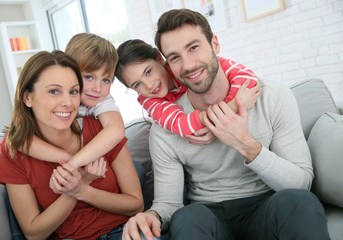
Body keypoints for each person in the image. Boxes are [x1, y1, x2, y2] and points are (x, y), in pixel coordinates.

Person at [122, 9, 330, 240]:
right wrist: (152, 215)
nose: (188, 65)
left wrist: (245, 144)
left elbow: (301, 184)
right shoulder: (166, 127)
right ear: (168, 63)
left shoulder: (271, 96)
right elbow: (168, 204)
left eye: (193, 48)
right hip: (209, 215)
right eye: (175, 57)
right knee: (187, 217)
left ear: (215, 44)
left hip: (267, 205)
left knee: (299, 201)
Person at [0, 50, 144, 240]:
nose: (67, 103)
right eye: (54, 91)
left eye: (73, 92)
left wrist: (84, 190)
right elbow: (34, 233)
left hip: (122, 231)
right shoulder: (12, 151)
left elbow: (136, 205)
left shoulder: (102, 133)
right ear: (27, 98)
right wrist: (77, 186)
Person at [115, 39, 260, 145]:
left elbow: (247, 78)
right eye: (137, 84)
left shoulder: (187, 67)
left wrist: (214, 123)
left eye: (148, 72)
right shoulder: (148, 100)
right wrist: (232, 108)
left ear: (160, 59)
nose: (149, 85)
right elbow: (180, 124)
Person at [21, 33, 126, 171]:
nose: (97, 88)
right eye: (88, 77)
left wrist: (73, 164)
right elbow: (20, 141)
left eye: (106, 80)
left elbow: (116, 130)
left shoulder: (103, 100)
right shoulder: (55, 102)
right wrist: (69, 159)